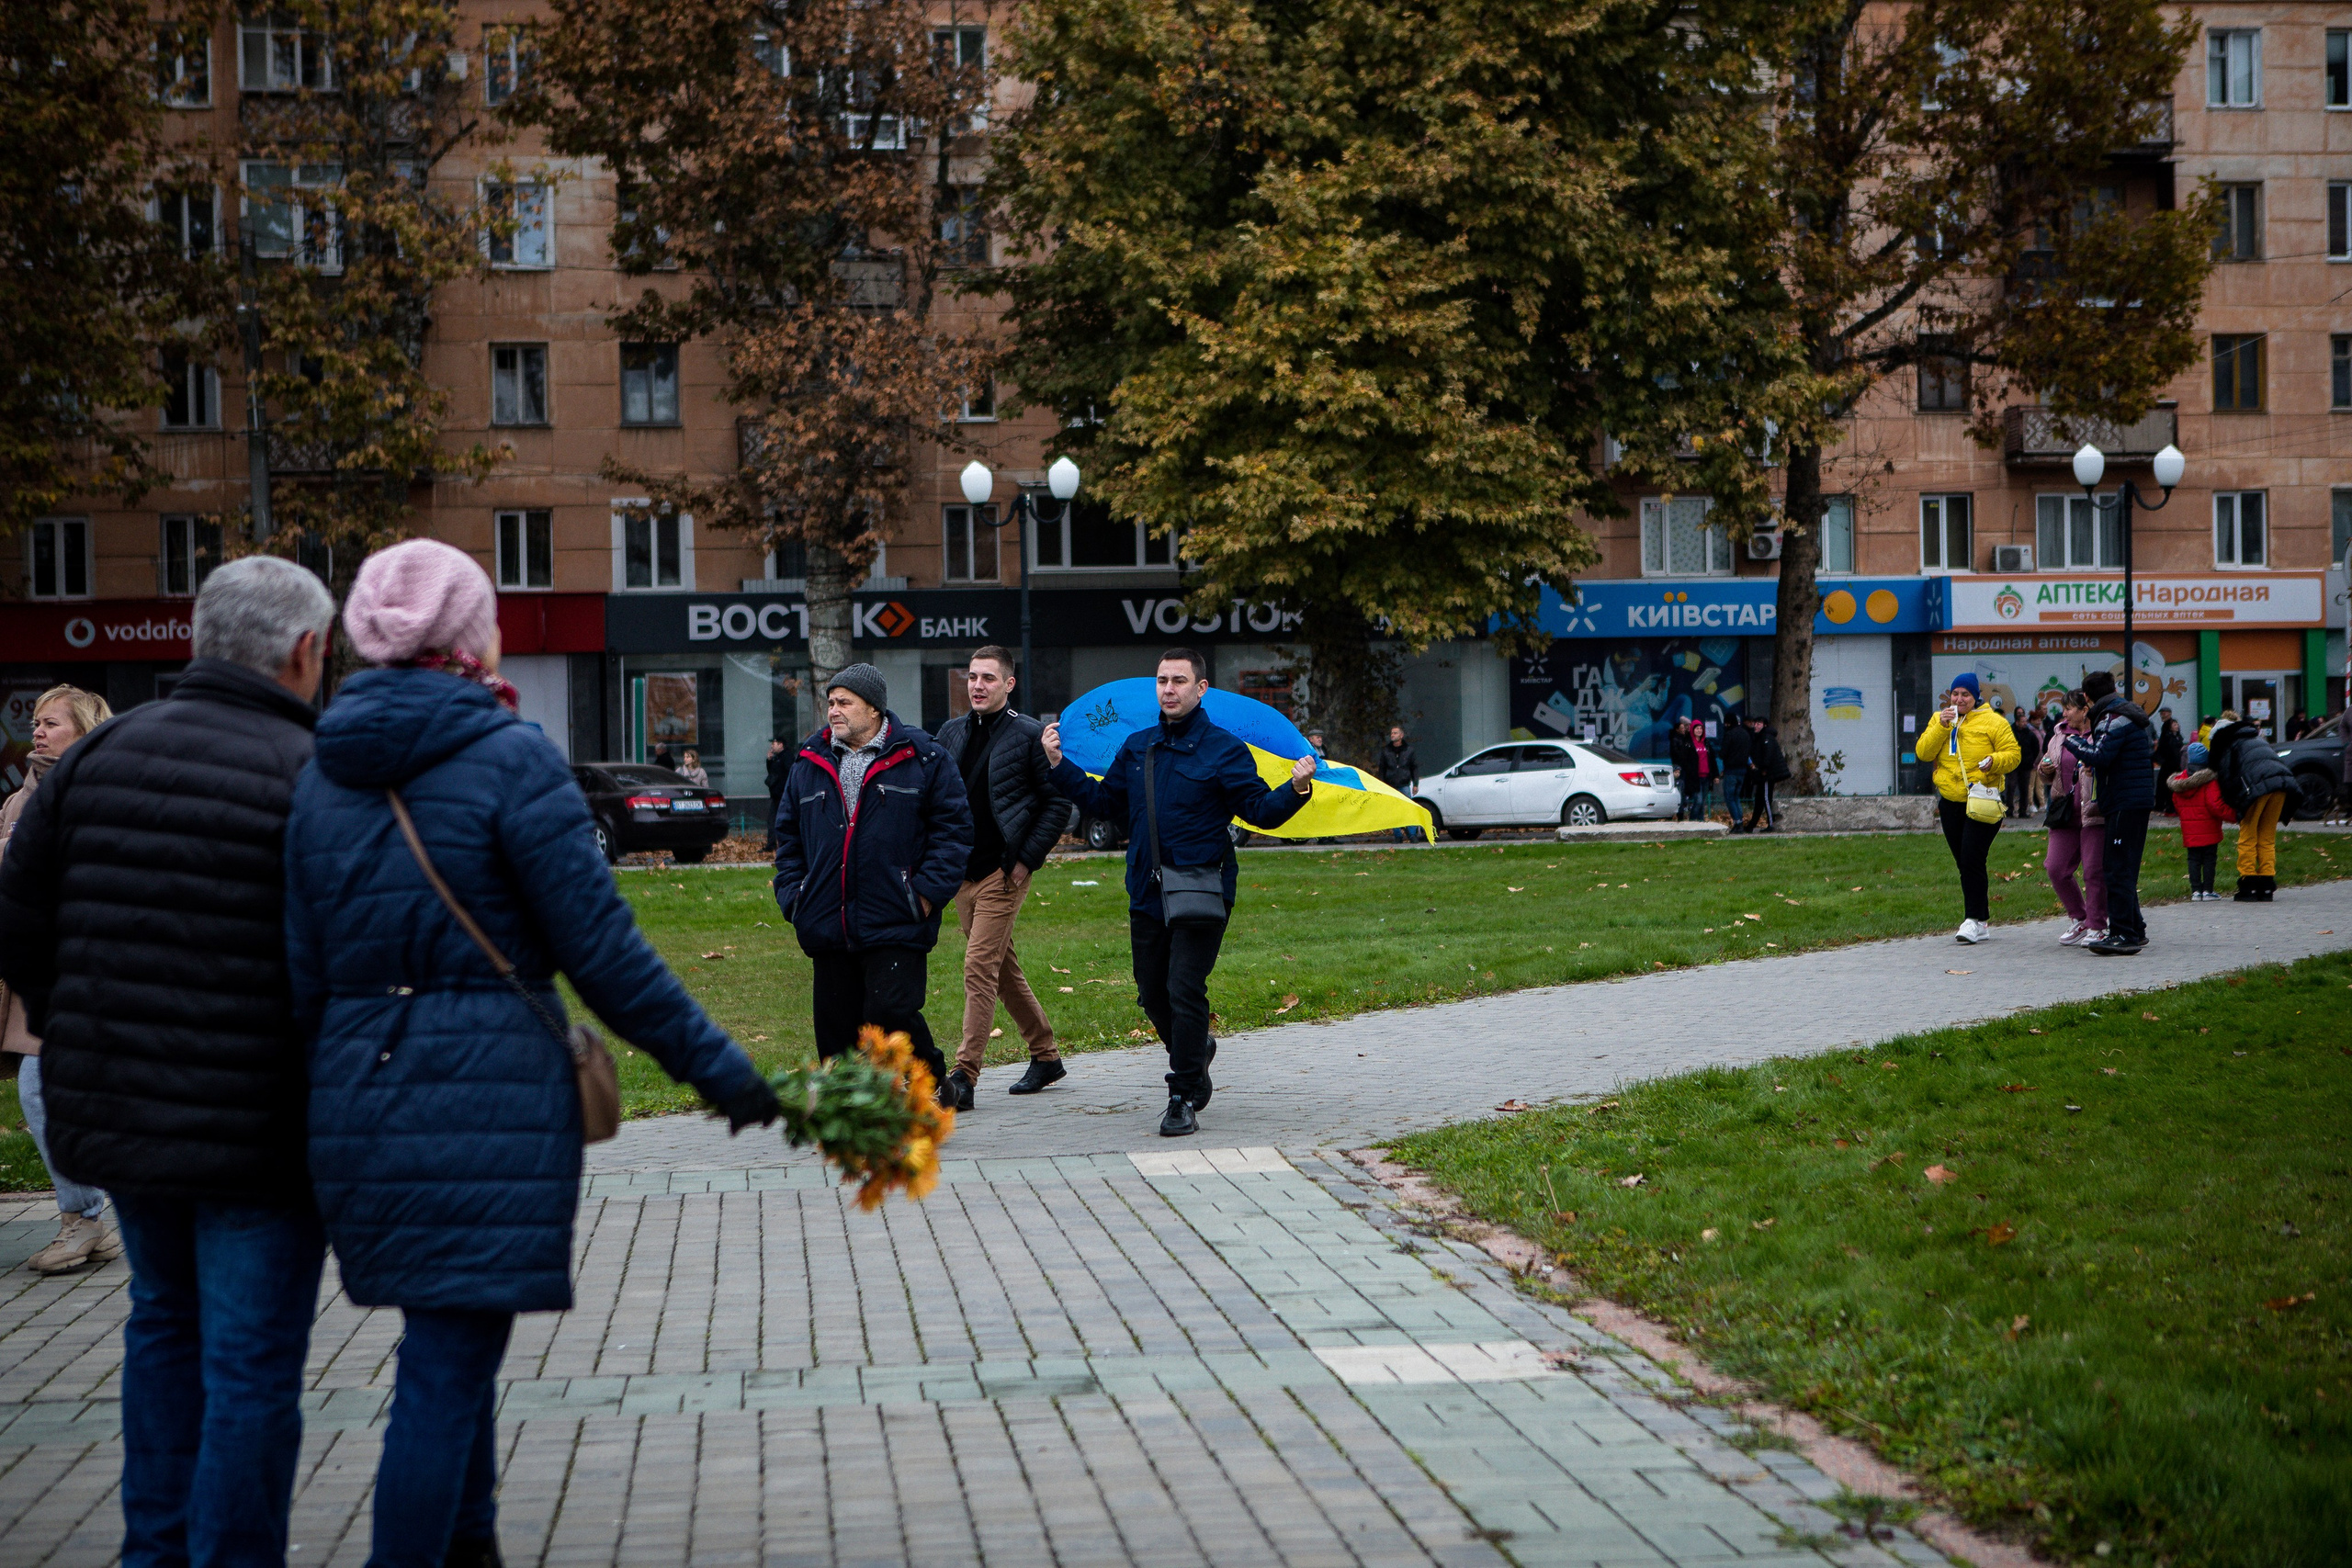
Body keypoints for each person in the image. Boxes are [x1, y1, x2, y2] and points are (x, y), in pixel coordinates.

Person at [285, 539, 779, 1568]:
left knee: (447, 1350)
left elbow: (300, 969)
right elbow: (605, 956)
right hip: (485, 1100)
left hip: (355, 1095)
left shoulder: (322, 770)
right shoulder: (511, 759)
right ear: (469, 638)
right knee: (445, 1368)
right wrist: (720, 1070)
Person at [0, 557, 337, 1566]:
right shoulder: (310, 768)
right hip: (260, 1127)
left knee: (161, 1327)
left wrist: (74, 1022)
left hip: (122, 1110)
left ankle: (155, 1548)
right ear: (306, 651)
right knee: (250, 1363)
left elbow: (15, 918)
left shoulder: (99, 759)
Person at [1041, 649, 1312, 1137]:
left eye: (1179, 681)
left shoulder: (1224, 749)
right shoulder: (1138, 745)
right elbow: (1105, 803)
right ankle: (1196, 1050)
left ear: (1200, 688)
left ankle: (1182, 1093)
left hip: (1201, 889)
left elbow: (1258, 811)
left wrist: (1295, 789)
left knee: (1184, 988)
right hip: (1146, 888)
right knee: (1151, 992)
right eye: (1163, 681)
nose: (1169, 689)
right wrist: (1060, 766)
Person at [773, 662, 971, 1093]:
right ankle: (851, 1110)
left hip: (895, 914)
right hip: (828, 917)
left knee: (890, 1012)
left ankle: (933, 1085)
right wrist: (795, 897)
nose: (834, 711)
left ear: (875, 709)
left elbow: (953, 831)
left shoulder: (923, 756)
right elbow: (787, 836)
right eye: (830, 702)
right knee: (836, 1028)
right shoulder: (810, 759)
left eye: (845, 702)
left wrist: (924, 895)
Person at [1, 684, 119, 1274]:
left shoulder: (101, 787)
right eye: (37, 723)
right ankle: (90, 1217)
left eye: (52, 723)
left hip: (86, 970)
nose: (38, 732)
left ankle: (87, 1217)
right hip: (36, 974)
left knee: (42, 1090)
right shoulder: (21, 799)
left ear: (84, 729)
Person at [931, 646, 1069, 1106]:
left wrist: (1026, 859)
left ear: (1009, 684)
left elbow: (1058, 803)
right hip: (960, 876)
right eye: (971, 677)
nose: (977, 685)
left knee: (978, 967)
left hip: (1003, 873)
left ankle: (964, 1076)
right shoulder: (949, 733)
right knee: (1001, 967)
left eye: (988, 678)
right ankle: (1046, 1055)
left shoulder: (1030, 734)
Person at [1917, 673, 2019, 943]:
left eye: (1965, 695)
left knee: (1972, 857)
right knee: (1965, 862)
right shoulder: (1940, 719)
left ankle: (1972, 920)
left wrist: (1993, 761)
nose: (1959, 699)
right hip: (1950, 801)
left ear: (1976, 698)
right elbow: (1924, 753)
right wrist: (1941, 726)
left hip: (1982, 799)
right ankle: (1981, 921)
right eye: (1955, 694)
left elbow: (2013, 755)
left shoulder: (1993, 722)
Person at [2064, 669, 2154, 955]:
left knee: (2116, 868)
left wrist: (2072, 741)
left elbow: (2100, 755)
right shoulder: (2124, 713)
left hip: (2124, 803)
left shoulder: (2112, 719)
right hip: (2132, 800)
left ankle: (2123, 934)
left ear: (2088, 698)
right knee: (2122, 866)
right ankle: (2134, 928)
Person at [2039, 691, 2107, 944]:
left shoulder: (2100, 734)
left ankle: (2097, 925)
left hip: (2094, 812)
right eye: (2064, 708)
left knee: (2093, 871)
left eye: (2069, 708)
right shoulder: (2059, 735)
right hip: (2064, 811)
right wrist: (2044, 769)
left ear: (2085, 710)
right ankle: (2079, 917)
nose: (2064, 713)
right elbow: (2048, 769)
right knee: (2055, 868)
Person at [2208, 712, 2293, 902]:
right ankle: (2266, 885)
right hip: (2281, 785)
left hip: (2257, 788)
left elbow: (2227, 778)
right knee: (2267, 835)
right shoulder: (2254, 737)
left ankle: (2248, 885)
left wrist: (2236, 804)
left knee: (2248, 834)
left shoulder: (2229, 744)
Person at [2166, 741, 2233, 902]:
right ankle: (2208, 890)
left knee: (2193, 859)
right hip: (2209, 828)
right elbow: (2215, 805)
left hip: (2190, 830)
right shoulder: (2209, 780)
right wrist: (2235, 816)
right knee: (2209, 859)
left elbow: (2177, 803)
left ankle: (2195, 891)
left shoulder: (2180, 781)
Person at [1738, 716, 1790, 833]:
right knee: (1759, 799)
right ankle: (1752, 825)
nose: (1756, 725)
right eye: (1755, 723)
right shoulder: (1759, 737)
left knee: (1766, 798)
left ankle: (1771, 824)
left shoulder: (1766, 738)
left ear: (1765, 725)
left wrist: (1763, 769)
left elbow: (1768, 755)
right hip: (1763, 774)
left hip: (1767, 774)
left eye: (1759, 723)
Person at [1374, 724, 1421, 842]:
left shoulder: (1409, 750)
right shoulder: (1386, 751)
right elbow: (1382, 769)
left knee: (1409, 809)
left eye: (1395, 733)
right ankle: (1397, 835)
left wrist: (1415, 783)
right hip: (1391, 785)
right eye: (1391, 733)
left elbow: (1414, 767)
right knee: (1393, 811)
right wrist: (1382, 785)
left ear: (1401, 735)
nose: (1392, 735)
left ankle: (1412, 834)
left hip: (1404, 784)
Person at [1715, 713, 1751, 826]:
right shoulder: (1745, 734)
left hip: (1731, 770)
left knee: (1729, 797)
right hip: (1743, 771)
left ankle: (1737, 822)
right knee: (1736, 797)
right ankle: (1740, 820)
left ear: (1728, 723)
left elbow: (1723, 753)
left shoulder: (1729, 734)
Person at [2005, 708, 2042, 818]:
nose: (2025, 723)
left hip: (2026, 765)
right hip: (2013, 764)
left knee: (2024, 788)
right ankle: (2009, 809)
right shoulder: (2010, 732)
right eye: (2023, 721)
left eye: (2026, 721)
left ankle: (2023, 810)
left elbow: (2036, 748)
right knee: (2011, 787)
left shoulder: (2030, 734)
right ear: (2017, 722)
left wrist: (2031, 760)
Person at [2153, 710, 2184, 817]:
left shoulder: (2177, 738)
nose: (2177, 726)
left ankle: (2169, 806)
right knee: (2166, 786)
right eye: (2174, 724)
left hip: (2172, 766)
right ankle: (2167, 806)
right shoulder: (2170, 739)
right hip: (2170, 766)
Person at [1685, 720, 1715, 821]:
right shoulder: (1689, 744)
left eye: (1701, 728)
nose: (1699, 730)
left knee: (1702, 801)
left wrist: (1715, 775)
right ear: (1692, 730)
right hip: (1695, 777)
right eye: (1697, 728)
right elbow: (1686, 761)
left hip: (1706, 776)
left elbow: (1712, 759)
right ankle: (1692, 821)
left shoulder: (1706, 743)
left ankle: (1701, 821)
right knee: (1698, 800)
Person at [763, 738, 790, 852]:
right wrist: (769, 761)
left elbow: (788, 773)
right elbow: (772, 773)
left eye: (774, 744)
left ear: (781, 745)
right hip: (776, 795)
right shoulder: (777, 758)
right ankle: (771, 844)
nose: (772, 746)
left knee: (782, 821)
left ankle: (783, 844)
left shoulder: (787, 757)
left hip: (783, 795)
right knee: (772, 820)